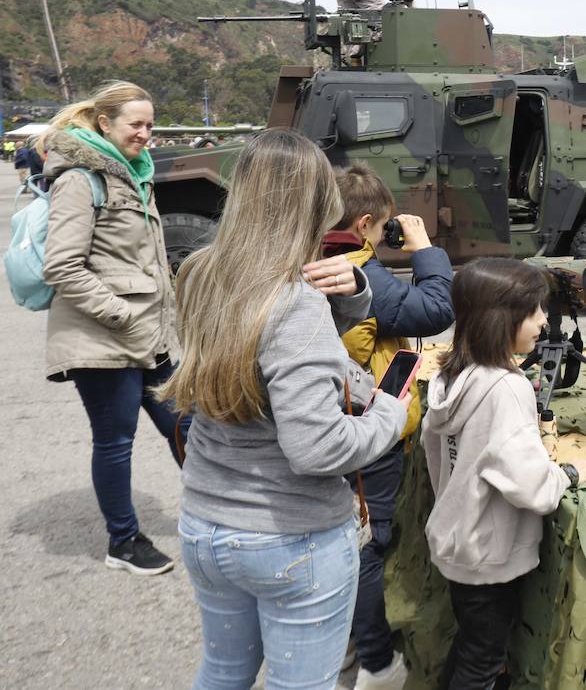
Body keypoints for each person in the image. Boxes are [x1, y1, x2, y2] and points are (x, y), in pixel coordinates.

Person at [162, 129, 411, 690]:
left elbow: (264, 359)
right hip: (291, 539)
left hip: (206, 523)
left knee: (223, 672)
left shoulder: (202, 270)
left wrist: (351, 299)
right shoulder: (293, 302)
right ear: (318, 201)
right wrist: (391, 414)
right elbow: (318, 448)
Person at [422, 259, 586, 690]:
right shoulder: (506, 387)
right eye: (534, 311)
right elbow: (531, 488)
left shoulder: (451, 375)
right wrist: (567, 474)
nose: (543, 321)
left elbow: (439, 452)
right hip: (489, 554)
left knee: (470, 646)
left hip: (456, 538)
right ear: (502, 319)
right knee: (482, 661)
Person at [39, 81, 187, 575]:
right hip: (105, 337)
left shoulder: (133, 174)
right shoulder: (81, 180)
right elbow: (62, 266)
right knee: (116, 439)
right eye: (136, 125)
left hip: (151, 335)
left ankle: (224, 509)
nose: (146, 134)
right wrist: (121, 313)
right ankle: (122, 541)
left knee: (186, 423)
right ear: (105, 124)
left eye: (151, 124)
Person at [321, 165, 455, 690]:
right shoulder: (362, 272)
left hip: (327, 420)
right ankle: (376, 660)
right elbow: (435, 309)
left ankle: (344, 649)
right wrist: (423, 248)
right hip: (365, 433)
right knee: (368, 545)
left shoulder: (307, 256)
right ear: (364, 224)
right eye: (381, 230)